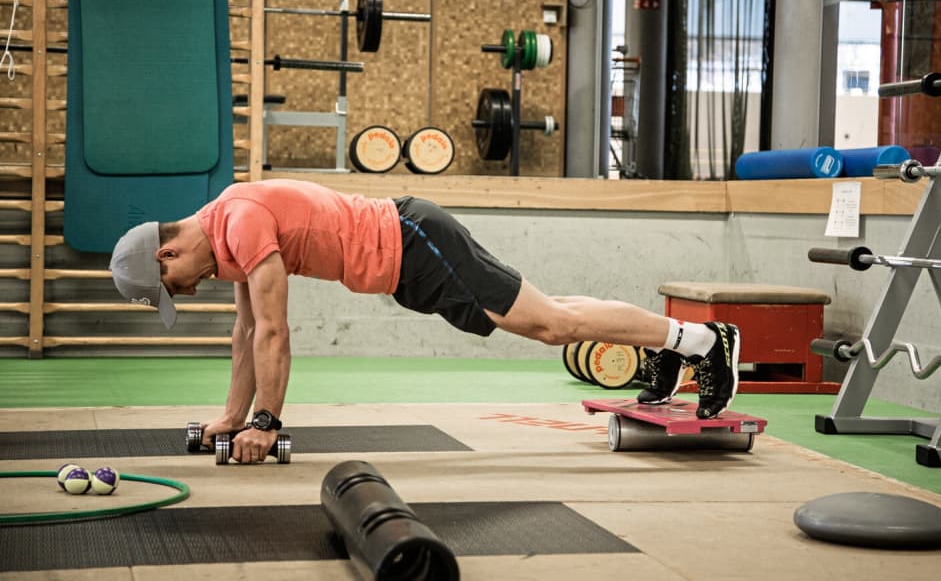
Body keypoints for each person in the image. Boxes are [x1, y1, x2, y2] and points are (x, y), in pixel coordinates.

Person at [109, 179, 740, 463]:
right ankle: (679, 343)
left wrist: (266, 423)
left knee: (549, 325)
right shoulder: (225, 228)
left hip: (413, 241)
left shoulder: (240, 220)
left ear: (167, 255)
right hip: (404, 259)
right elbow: (246, 333)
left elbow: (274, 330)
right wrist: (231, 420)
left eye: (175, 286)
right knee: (551, 316)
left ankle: (703, 342)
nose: (189, 290)